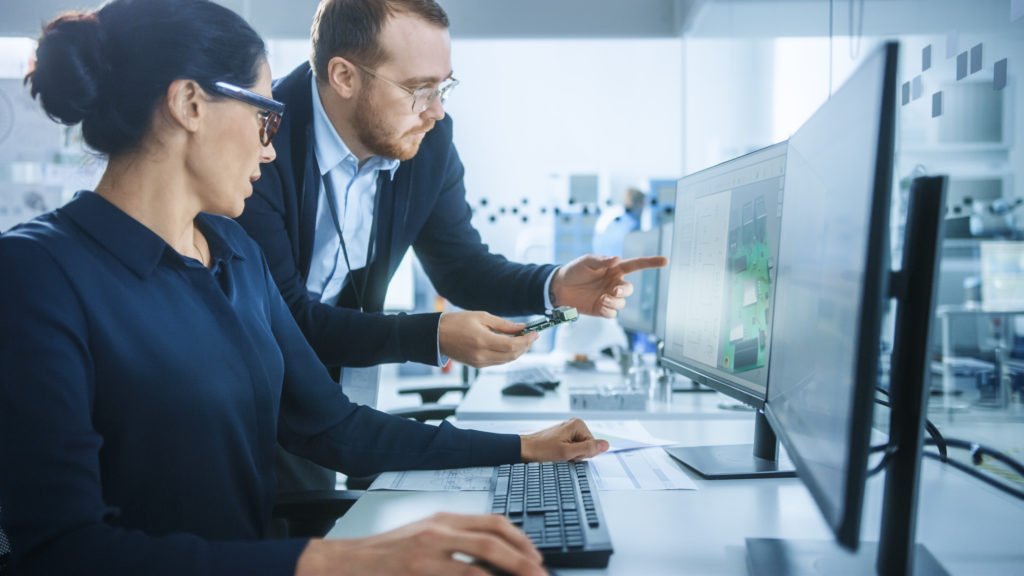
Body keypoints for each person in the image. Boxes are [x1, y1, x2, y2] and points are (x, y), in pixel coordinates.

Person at [0, 1, 606, 574]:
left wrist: (523, 448)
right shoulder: (35, 276)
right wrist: (339, 562)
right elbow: (65, 552)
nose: (272, 149)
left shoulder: (232, 253)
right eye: (264, 115)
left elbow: (333, 427)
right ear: (190, 104)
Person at [238, 0, 666, 500]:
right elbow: (284, 318)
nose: (437, 110)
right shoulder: (261, 140)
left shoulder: (429, 141)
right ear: (344, 76)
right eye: (420, 90)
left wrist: (551, 286)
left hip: (327, 394)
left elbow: (460, 266)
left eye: (443, 87)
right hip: (246, 386)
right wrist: (433, 335)